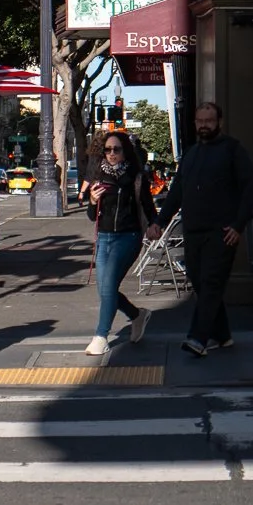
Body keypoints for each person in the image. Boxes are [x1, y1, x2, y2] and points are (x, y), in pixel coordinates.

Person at [149, 99, 253, 357]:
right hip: (193, 231)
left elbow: (248, 189)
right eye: (200, 121)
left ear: (219, 122)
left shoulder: (233, 150)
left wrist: (239, 225)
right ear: (195, 123)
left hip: (222, 233)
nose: (204, 125)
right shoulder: (191, 154)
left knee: (211, 283)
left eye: (209, 121)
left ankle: (198, 338)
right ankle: (222, 335)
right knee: (200, 283)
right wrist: (159, 222)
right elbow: (176, 193)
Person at [84, 126, 152, 358]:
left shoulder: (135, 176)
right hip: (104, 237)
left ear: (125, 152)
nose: (111, 154)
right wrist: (92, 201)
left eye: (116, 149)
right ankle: (137, 315)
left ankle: (101, 336)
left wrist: (155, 224)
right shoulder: (98, 176)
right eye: (107, 150)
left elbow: (147, 205)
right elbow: (92, 216)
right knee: (106, 290)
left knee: (109, 286)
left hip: (128, 237)